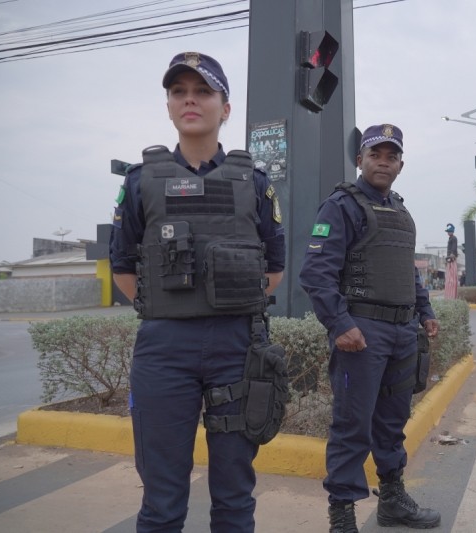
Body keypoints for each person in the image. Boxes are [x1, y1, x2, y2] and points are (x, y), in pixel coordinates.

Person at [109, 51, 285, 532]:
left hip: (236, 347)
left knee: (234, 496)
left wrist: (225, 302)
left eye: (203, 92)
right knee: (162, 501)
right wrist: (169, 309)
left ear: (224, 107)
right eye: (179, 92)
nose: (190, 100)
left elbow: (275, 267)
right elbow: (123, 265)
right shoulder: (141, 181)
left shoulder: (256, 183)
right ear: (168, 105)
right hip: (164, 351)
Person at [299, 124, 442, 532]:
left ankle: (392, 501)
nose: (383, 161)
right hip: (361, 333)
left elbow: (407, 273)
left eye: (391, 155)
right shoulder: (341, 206)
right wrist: (340, 324)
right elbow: (315, 273)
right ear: (360, 159)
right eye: (374, 154)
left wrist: (426, 310)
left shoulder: (400, 209)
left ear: (400, 164)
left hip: (402, 333)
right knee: (352, 425)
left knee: (392, 423)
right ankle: (341, 516)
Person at [444, 223, 458, 299]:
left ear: (452, 231)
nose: (448, 233)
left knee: (452, 279)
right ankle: (449, 294)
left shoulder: (454, 238)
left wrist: (451, 256)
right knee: (449, 278)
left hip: (451, 259)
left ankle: (452, 295)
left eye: (449, 231)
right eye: (448, 231)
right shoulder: (450, 238)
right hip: (449, 259)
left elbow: (454, 248)